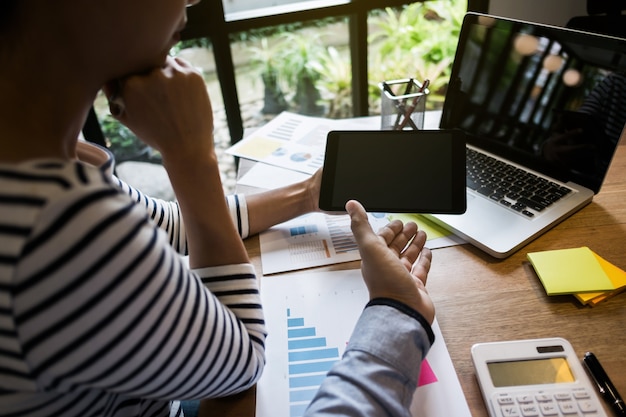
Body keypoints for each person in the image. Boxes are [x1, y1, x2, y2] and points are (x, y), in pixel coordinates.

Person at [0, 1, 436, 416]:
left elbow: (173, 227)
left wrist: (306, 195)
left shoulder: (46, 160)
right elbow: (240, 363)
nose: (194, 0)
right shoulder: (57, 224)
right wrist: (191, 158)